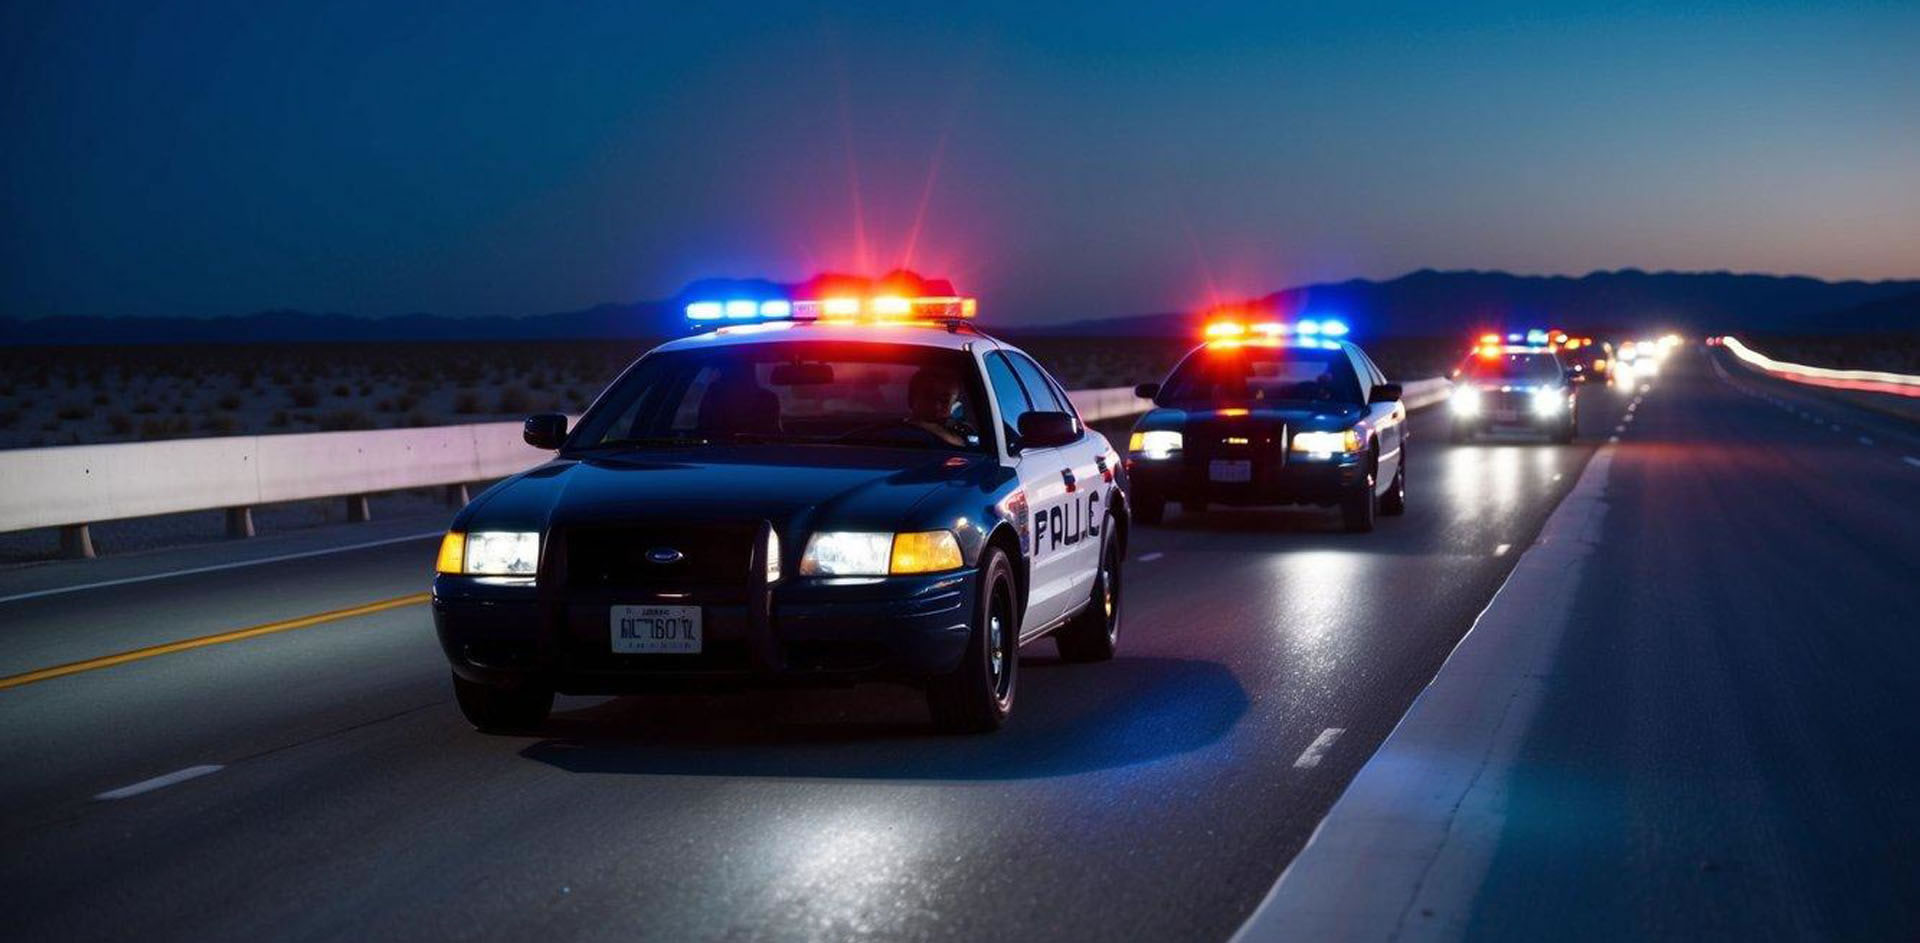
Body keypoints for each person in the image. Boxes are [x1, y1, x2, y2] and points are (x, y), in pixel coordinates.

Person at [906, 367, 972, 448]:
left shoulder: (965, 433)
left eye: (945, 400)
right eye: (928, 397)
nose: (937, 406)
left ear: (954, 403)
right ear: (911, 398)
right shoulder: (897, 434)